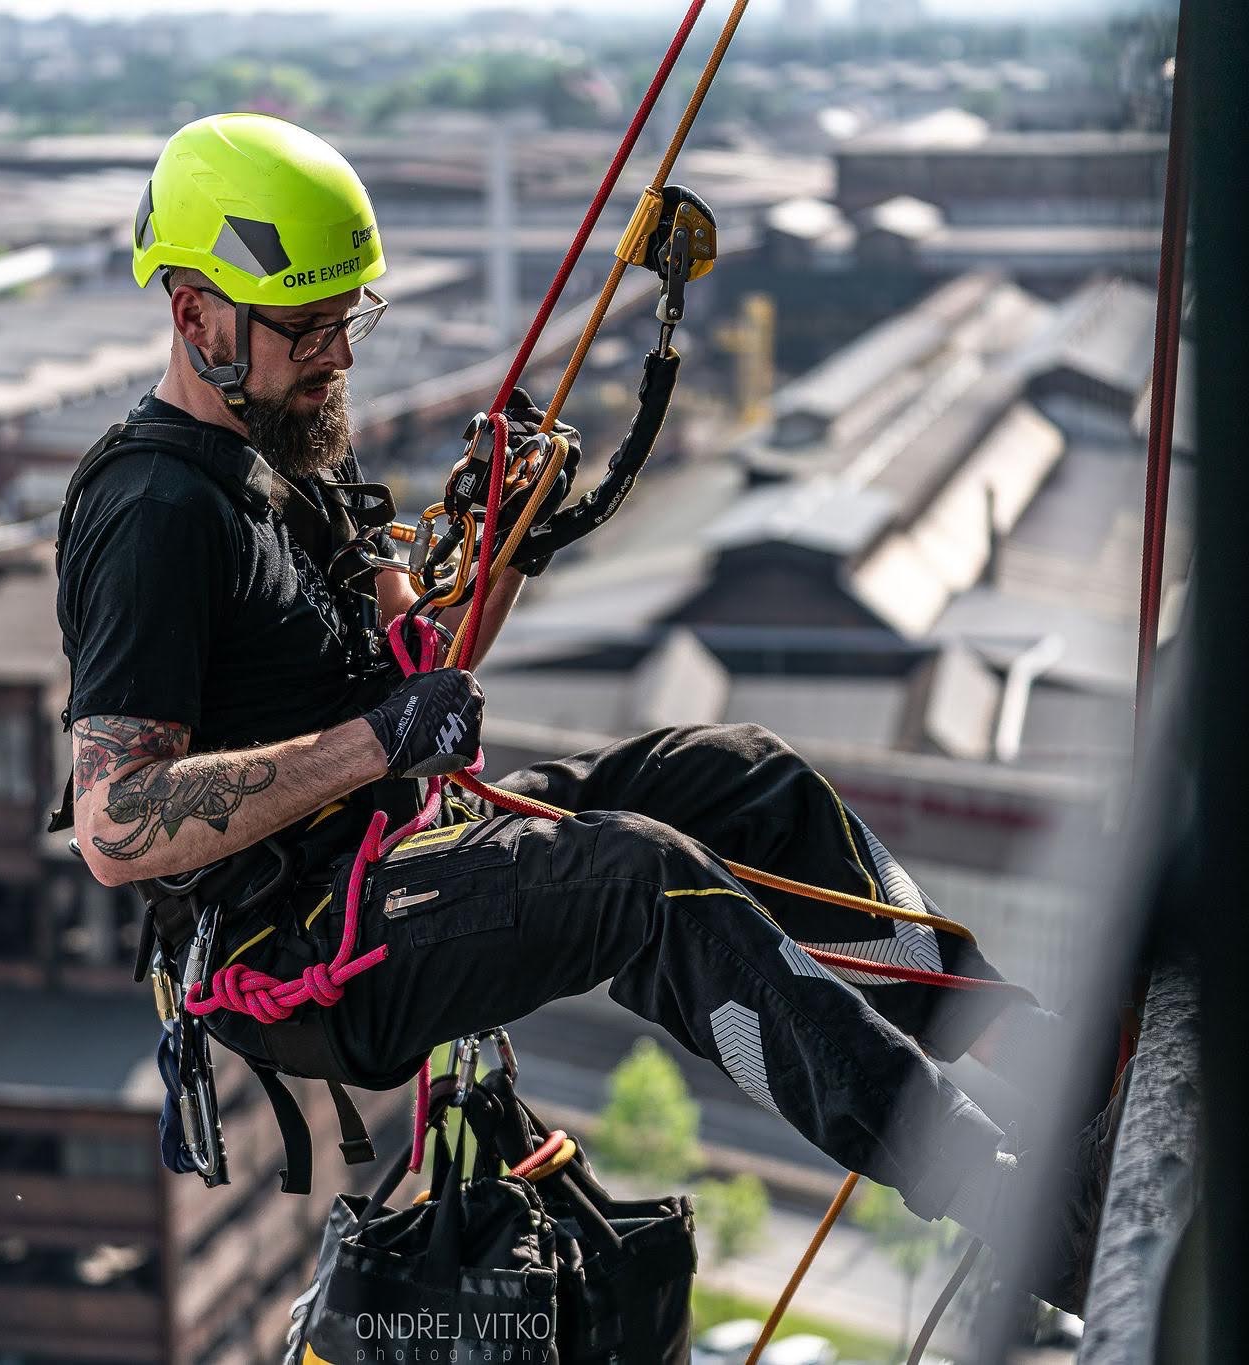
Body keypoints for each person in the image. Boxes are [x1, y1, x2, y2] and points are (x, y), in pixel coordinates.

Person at [54, 112, 1101, 1306]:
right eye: (307, 328)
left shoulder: (292, 450)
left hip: (390, 853)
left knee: (736, 774)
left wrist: (513, 539)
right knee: (638, 882)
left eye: (349, 318)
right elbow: (114, 822)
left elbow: (425, 666)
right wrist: (376, 743)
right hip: (294, 948)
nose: (338, 353)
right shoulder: (153, 515)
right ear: (196, 316)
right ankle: (1003, 1199)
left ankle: (1035, 1054)